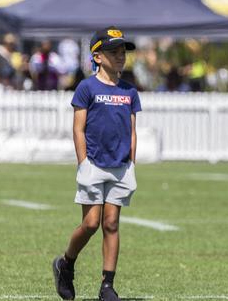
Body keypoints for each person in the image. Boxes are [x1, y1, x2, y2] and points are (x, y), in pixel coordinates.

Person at [52, 26, 141, 301]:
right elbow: (78, 129)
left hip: (120, 166)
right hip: (93, 165)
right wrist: (83, 163)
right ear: (98, 56)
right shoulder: (86, 87)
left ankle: (107, 286)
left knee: (111, 224)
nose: (120, 56)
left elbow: (132, 129)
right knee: (91, 223)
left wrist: (131, 162)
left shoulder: (129, 91)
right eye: (113, 51)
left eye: (123, 52)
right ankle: (65, 263)